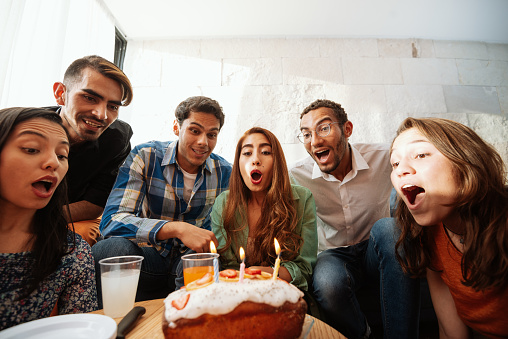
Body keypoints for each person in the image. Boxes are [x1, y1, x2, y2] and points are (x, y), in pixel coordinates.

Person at [289, 99, 419, 338]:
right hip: (333, 255)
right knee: (328, 283)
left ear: (347, 129)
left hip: (376, 247)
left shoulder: (384, 157)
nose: (315, 141)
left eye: (324, 128)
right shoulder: (296, 175)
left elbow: (422, 166)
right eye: (306, 134)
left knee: (390, 228)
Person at [93, 96, 232, 306]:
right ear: (177, 127)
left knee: (208, 261)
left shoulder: (225, 172)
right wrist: (176, 229)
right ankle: (114, 326)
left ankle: (187, 322)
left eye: (211, 134)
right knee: (111, 250)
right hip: (147, 257)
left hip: (189, 264)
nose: (203, 141)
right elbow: (113, 220)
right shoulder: (145, 156)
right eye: (195, 130)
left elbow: (225, 230)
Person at [390, 117, 508, 338]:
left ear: (464, 160)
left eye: (421, 154)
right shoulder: (428, 235)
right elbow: (450, 330)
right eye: (395, 163)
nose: (400, 170)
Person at [0, 107, 97, 330]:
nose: (53, 162)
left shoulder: (71, 252)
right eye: (31, 149)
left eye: (62, 155)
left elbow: (81, 331)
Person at [211, 127, 317, 290]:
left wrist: (262, 273)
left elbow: (304, 269)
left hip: (283, 292)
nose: (255, 160)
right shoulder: (223, 203)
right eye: (247, 153)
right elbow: (226, 267)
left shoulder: (302, 200)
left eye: (266, 152)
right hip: (234, 292)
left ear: (278, 161)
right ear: (238, 162)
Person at [49, 55, 134, 246]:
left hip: (74, 218)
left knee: (84, 235)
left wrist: (39, 219)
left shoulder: (117, 138)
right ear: (61, 93)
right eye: (89, 98)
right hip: (17, 212)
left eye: (112, 106)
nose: (101, 115)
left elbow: (96, 203)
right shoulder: (20, 127)